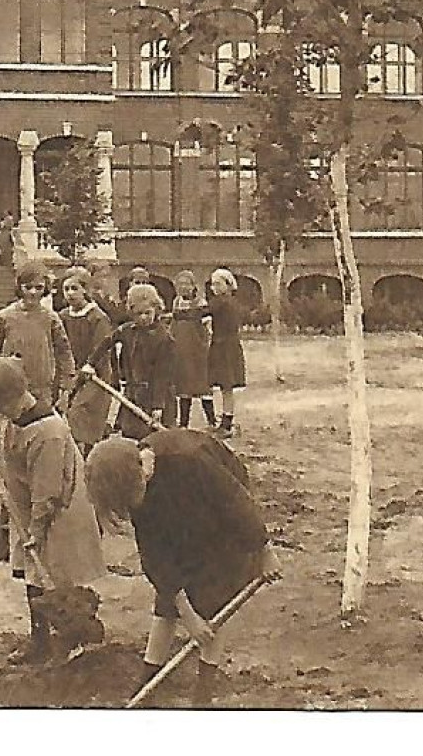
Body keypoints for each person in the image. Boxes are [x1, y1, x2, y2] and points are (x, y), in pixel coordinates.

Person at [86, 431, 281, 703]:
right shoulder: (136, 489)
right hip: (178, 510)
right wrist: (186, 614)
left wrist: (264, 549)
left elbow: (235, 501)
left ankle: (204, 688)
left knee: (215, 593)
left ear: (141, 474)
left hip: (221, 512)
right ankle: (149, 677)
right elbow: (156, 559)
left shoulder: (191, 460)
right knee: (171, 589)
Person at [0, 356, 107, 665]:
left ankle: (73, 640)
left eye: (0, 407)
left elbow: (47, 492)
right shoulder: (9, 417)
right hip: (29, 507)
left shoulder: (49, 431)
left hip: (59, 511)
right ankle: (39, 640)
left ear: (15, 396)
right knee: (34, 574)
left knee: (60, 575)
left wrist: (35, 531)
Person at [0, 261, 76, 410]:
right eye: (28, 287)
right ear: (19, 287)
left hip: (42, 391)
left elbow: (65, 355)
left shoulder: (51, 319)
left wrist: (65, 391)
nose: (33, 292)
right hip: (11, 391)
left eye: (39, 288)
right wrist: (1, 363)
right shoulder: (5, 316)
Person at [88, 283, 177, 441]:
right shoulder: (127, 330)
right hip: (133, 395)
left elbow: (162, 375)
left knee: (157, 441)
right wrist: (90, 364)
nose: (143, 318)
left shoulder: (163, 338)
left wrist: (158, 406)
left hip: (156, 395)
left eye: (147, 313)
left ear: (156, 309)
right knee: (131, 436)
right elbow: (106, 342)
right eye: (138, 313)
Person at [55, 267, 115, 453]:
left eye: (75, 288)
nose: (70, 294)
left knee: (80, 414)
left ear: (85, 290)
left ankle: (89, 454)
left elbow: (100, 350)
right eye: (66, 289)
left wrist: (84, 371)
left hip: (94, 376)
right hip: (69, 374)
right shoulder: (62, 317)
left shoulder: (97, 318)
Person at [169, 270, 215, 429]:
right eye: (180, 284)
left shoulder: (201, 304)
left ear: (193, 285)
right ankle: (183, 423)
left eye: (186, 284)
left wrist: (205, 345)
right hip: (181, 350)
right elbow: (173, 326)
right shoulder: (176, 302)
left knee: (202, 385)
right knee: (183, 387)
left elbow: (208, 328)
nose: (183, 287)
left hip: (198, 351)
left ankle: (211, 421)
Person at [206, 268, 248, 438]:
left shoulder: (223, 303)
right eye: (212, 284)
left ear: (228, 284)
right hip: (223, 344)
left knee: (227, 385)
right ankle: (226, 419)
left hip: (225, 346)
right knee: (225, 387)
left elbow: (204, 312)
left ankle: (227, 423)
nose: (214, 287)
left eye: (218, 283)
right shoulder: (227, 302)